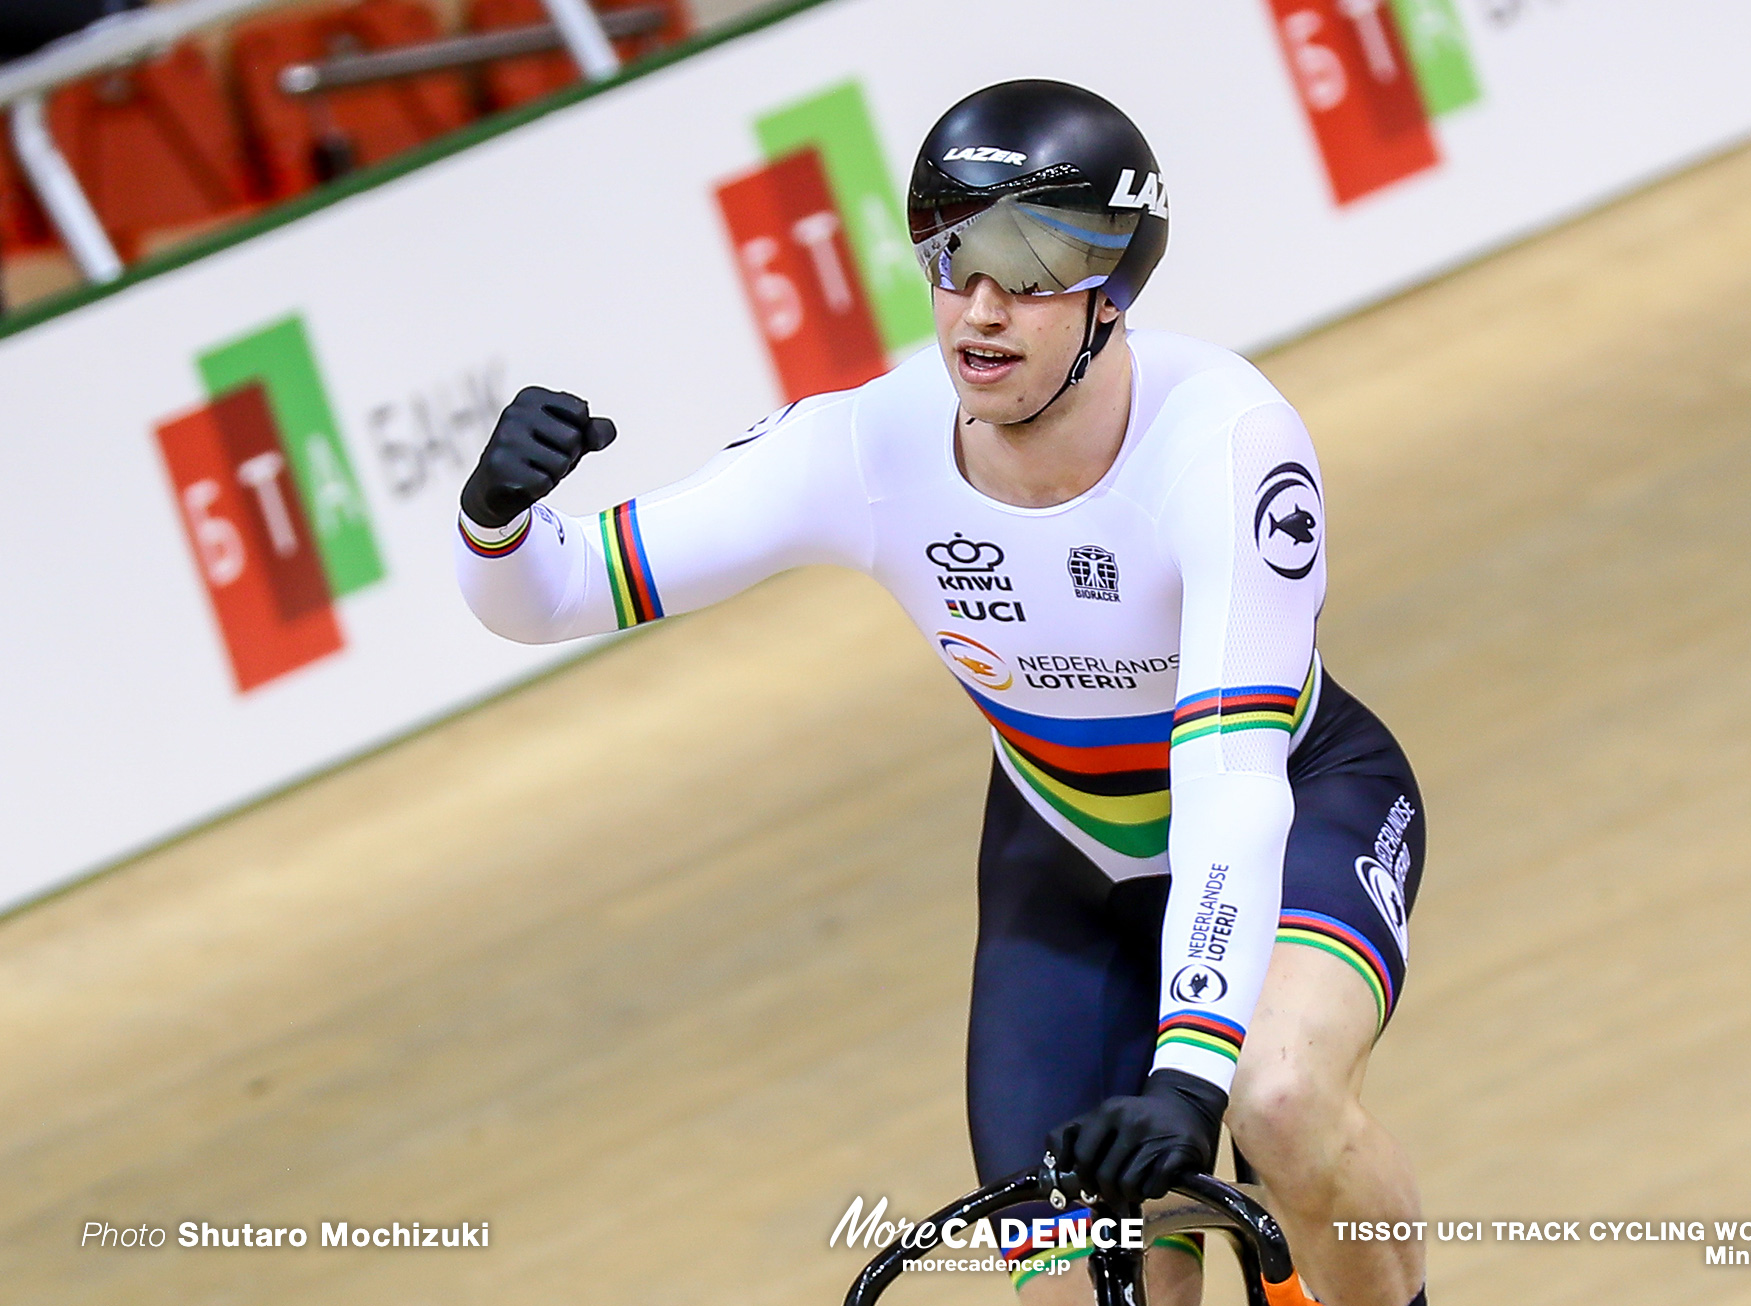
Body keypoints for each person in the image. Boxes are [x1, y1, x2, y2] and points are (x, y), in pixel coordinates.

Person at [455, 79, 1428, 1306]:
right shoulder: (863, 447)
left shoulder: (1227, 443)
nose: (980, 308)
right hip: (1066, 863)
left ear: (1116, 286)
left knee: (1277, 1098)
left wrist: (1189, 1073)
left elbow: (1227, 782)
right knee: (1086, 1274)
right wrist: (494, 520)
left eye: (1029, 268)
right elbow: (547, 597)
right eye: (953, 254)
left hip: (1294, 810)